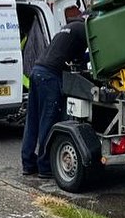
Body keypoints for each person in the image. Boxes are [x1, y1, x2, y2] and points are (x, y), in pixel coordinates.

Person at [20, 15, 88, 178]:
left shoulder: (68, 29)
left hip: (37, 72)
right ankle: (45, 167)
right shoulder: (84, 30)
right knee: (48, 121)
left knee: (33, 121)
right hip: (50, 77)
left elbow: (71, 56)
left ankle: (28, 164)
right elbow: (92, 55)